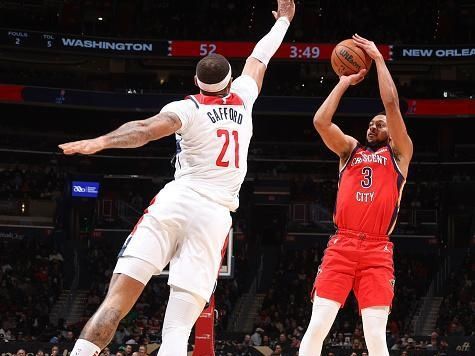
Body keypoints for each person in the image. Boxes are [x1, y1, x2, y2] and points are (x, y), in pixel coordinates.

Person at [59, 1, 295, 356]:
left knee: (115, 302)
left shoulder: (188, 107)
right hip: (213, 216)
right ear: (230, 80)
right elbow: (260, 58)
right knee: (177, 331)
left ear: (196, 82)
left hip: (176, 201)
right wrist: (284, 22)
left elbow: (143, 130)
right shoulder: (245, 98)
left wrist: (102, 142)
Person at [299, 34, 413, 356]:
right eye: (371, 123)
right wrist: (344, 82)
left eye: (380, 124)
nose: (373, 127)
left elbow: (391, 104)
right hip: (342, 244)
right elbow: (321, 121)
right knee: (318, 325)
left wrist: (377, 59)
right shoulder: (350, 150)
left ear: (392, 130)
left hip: (378, 250)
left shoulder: (400, 154)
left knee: (375, 335)